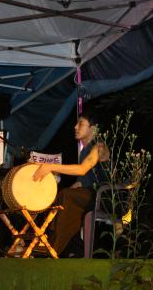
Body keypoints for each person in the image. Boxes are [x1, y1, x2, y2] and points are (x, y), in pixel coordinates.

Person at [32, 110, 108, 257]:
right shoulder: (84, 151)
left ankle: (53, 246)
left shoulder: (99, 147)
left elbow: (82, 170)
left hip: (104, 197)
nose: (75, 127)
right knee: (60, 196)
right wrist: (55, 194)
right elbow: (81, 183)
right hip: (89, 195)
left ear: (94, 128)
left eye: (80, 123)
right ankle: (50, 243)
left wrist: (50, 166)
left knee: (67, 196)